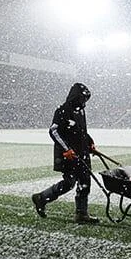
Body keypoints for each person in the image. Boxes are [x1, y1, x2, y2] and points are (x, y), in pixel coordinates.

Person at [31, 82, 99, 224]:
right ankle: (41, 198)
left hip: (82, 153)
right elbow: (54, 131)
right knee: (69, 183)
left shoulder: (80, 111)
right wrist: (66, 149)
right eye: (82, 98)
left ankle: (81, 213)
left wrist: (90, 142)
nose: (84, 102)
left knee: (85, 182)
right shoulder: (63, 110)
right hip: (68, 155)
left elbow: (81, 131)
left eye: (86, 99)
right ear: (76, 97)